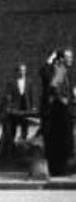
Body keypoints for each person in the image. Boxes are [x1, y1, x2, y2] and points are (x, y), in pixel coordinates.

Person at [0, 63, 37, 169]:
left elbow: (31, 94)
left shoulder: (29, 82)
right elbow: (8, 95)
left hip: (26, 107)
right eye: (20, 70)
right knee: (12, 130)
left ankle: (23, 145)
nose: (22, 72)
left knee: (25, 127)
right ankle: (11, 149)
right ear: (17, 72)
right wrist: (10, 106)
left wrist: (32, 106)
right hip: (15, 108)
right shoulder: (11, 83)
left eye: (24, 70)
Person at [41, 48, 74, 177]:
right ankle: (60, 170)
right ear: (61, 59)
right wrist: (63, 100)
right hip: (59, 111)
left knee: (60, 140)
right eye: (68, 57)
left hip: (58, 109)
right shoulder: (60, 69)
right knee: (63, 139)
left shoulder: (62, 70)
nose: (71, 60)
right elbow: (54, 86)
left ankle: (59, 169)